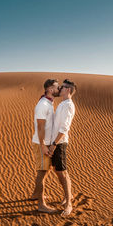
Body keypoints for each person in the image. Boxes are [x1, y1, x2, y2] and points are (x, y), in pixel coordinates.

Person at [30, 79, 60, 213]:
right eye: (56, 87)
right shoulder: (43, 104)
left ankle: (36, 195)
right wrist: (43, 145)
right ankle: (41, 204)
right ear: (49, 89)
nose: (59, 89)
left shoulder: (49, 103)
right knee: (42, 172)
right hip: (41, 143)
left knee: (45, 170)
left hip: (46, 142)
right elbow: (40, 126)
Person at [49, 79, 77, 216]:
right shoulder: (62, 104)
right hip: (55, 142)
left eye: (63, 87)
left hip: (59, 143)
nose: (60, 88)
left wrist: (54, 144)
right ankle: (68, 196)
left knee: (63, 172)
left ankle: (69, 204)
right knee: (58, 171)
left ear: (68, 90)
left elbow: (64, 127)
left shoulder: (68, 105)